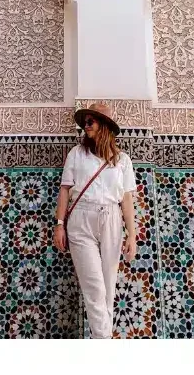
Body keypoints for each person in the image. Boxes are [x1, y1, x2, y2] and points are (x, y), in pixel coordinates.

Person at [52, 103, 137, 339]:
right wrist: (59, 224)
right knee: (95, 288)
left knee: (108, 288)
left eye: (91, 122)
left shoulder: (122, 161)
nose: (85, 127)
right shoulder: (76, 154)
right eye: (85, 122)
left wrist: (132, 233)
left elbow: (126, 199)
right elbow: (65, 190)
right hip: (81, 220)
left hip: (111, 219)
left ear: (105, 126)